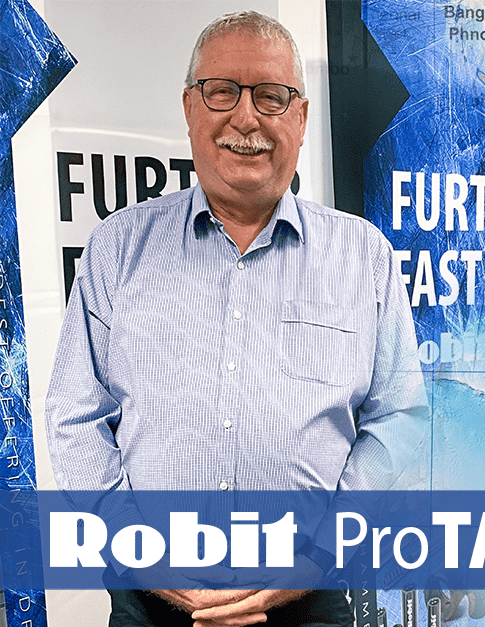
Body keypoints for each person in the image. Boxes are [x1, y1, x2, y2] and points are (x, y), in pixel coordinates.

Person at [44, 10, 429, 626]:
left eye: (271, 97)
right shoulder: (117, 250)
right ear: (191, 109)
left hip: (311, 601)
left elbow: (400, 418)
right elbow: (73, 417)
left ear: (300, 120)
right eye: (222, 92)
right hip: (151, 605)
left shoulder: (365, 258)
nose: (245, 118)